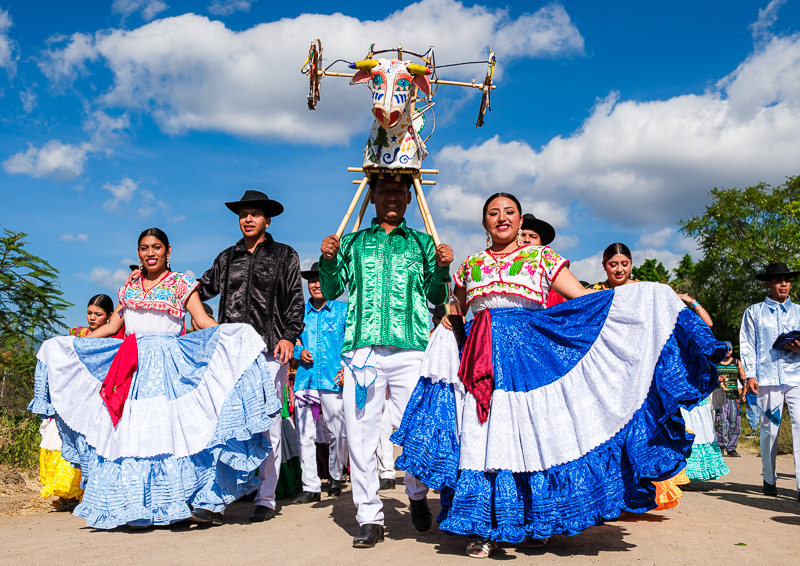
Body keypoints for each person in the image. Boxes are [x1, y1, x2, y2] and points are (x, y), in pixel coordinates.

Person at [392, 194, 725, 558]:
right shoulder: (470, 265)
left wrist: (648, 298)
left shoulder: (542, 258)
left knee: (532, 438)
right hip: (481, 363)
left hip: (532, 362)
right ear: (484, 222)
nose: (501, 218)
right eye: (493, 213)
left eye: (509, 212)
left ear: (520, 222)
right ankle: (483, 528)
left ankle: (537, 522)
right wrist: (449, 321)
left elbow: (583, 299)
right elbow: (459, 310)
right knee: (484, 440)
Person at [28, 228, 281, 529]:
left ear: (168, 251)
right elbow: (111, 328)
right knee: (132, 433)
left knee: (175, 430)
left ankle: (189, 501)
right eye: (145, 248)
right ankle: (135, 504)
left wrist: (233, 337)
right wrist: (72, 345)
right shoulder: (129, 287)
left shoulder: (181, 284)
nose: (151, 253)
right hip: (131, 370)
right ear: (138, 253)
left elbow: (201, 321)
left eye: (157, 247)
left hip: (170, 366)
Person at [319, 172, 453, 548]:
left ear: (410, 197)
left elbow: (436, 293)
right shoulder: (353, 241)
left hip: (412, 347)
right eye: (384, 190)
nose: (392, 196)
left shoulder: (423, 242)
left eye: (399, 190)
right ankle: (369, 517)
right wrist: (328, 260)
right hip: (363, 350)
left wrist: (441, 268)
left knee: (415, 429)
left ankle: (416, 493)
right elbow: (331, 290)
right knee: (361, 434)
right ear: (373, 196)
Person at [197, 190, 305, 522]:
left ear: (267, 220)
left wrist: (289, 337)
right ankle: (217, 497)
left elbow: (295, 303)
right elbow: (198, 291)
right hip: (229, 353)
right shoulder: (226, 258)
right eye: (244, 214)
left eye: (255, 214)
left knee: (268, 426)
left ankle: (266, 498)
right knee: (223, 424)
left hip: (269, 350)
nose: (248, 219)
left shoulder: (285, 255)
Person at [37, 294, 116, 512]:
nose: (92, 318)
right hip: (74, 398)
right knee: (66, 443)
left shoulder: (112, 341)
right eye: (89, 313)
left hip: (96, 400)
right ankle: (69, 493)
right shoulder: (77, 334)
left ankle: (89, 493)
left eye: (98, 314)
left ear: (110, 317)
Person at [740, 262, 800, 499]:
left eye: (787, 280)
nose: (784, 284)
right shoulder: (754, 312)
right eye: (778, 280)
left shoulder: (799, 311)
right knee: (769, 429)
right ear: (768, 284)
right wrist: (751, 375)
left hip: (796, 377)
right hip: (767, 378)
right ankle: (769, 478)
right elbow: (747, 345)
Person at [291, 261, 348, 503]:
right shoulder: (297, 313)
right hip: (305, 379)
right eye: (312, 280)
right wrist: (297, 352)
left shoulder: (344, 311)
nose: (316, 284)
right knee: (305, 435)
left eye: (321, 279)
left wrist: (347, 367)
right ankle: (310, 487)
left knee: (338, 432)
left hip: (334, 379)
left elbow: (352, 341)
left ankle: (335, 475)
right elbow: (289, 339)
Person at [519, 213, 565, 308]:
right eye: (522, 235)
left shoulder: (553, 273)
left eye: (533, 236)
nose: (527, 240)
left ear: (541, 243)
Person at [715, 341, 746, 457]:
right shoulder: (716, 362)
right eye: (726, 349)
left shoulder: (737, 362)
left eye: (730, 349)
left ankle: (731, 447)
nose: (728, 351)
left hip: (734, 396)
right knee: (722, 421)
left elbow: (744, 378)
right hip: (719, 396)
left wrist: (744, 393)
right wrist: (718, 378)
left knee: (734, 421)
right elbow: (709, 376)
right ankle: (721, 446)